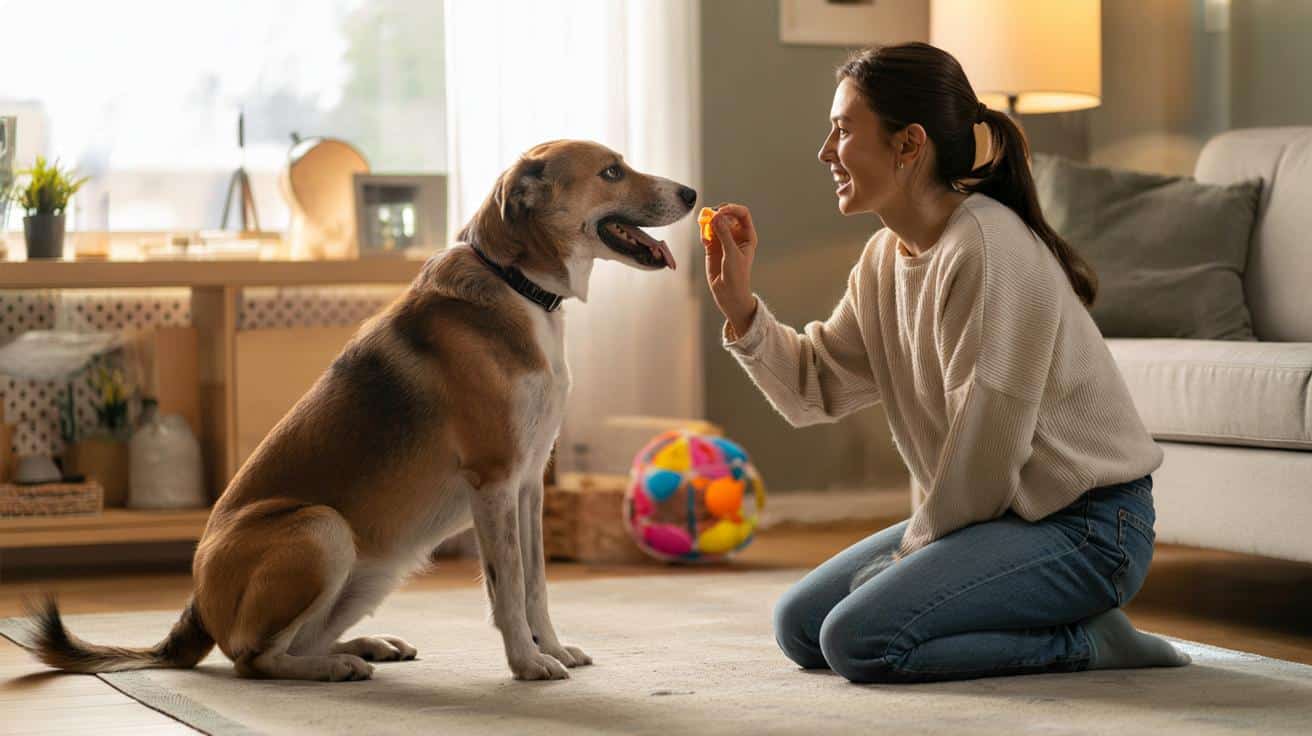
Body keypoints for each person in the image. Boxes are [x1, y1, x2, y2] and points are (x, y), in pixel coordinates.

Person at [700, 43, 1191, 684]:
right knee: (799, 626)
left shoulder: (986, 247)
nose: (825, 151)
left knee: (858, 641)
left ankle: (1086, 642)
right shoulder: (884, 259)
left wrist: (906, 559)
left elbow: (985, 455)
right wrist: (740, 307)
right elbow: (812, 389)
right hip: (999, 516)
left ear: (908, 144)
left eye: (843, 130)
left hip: (1091, 530)